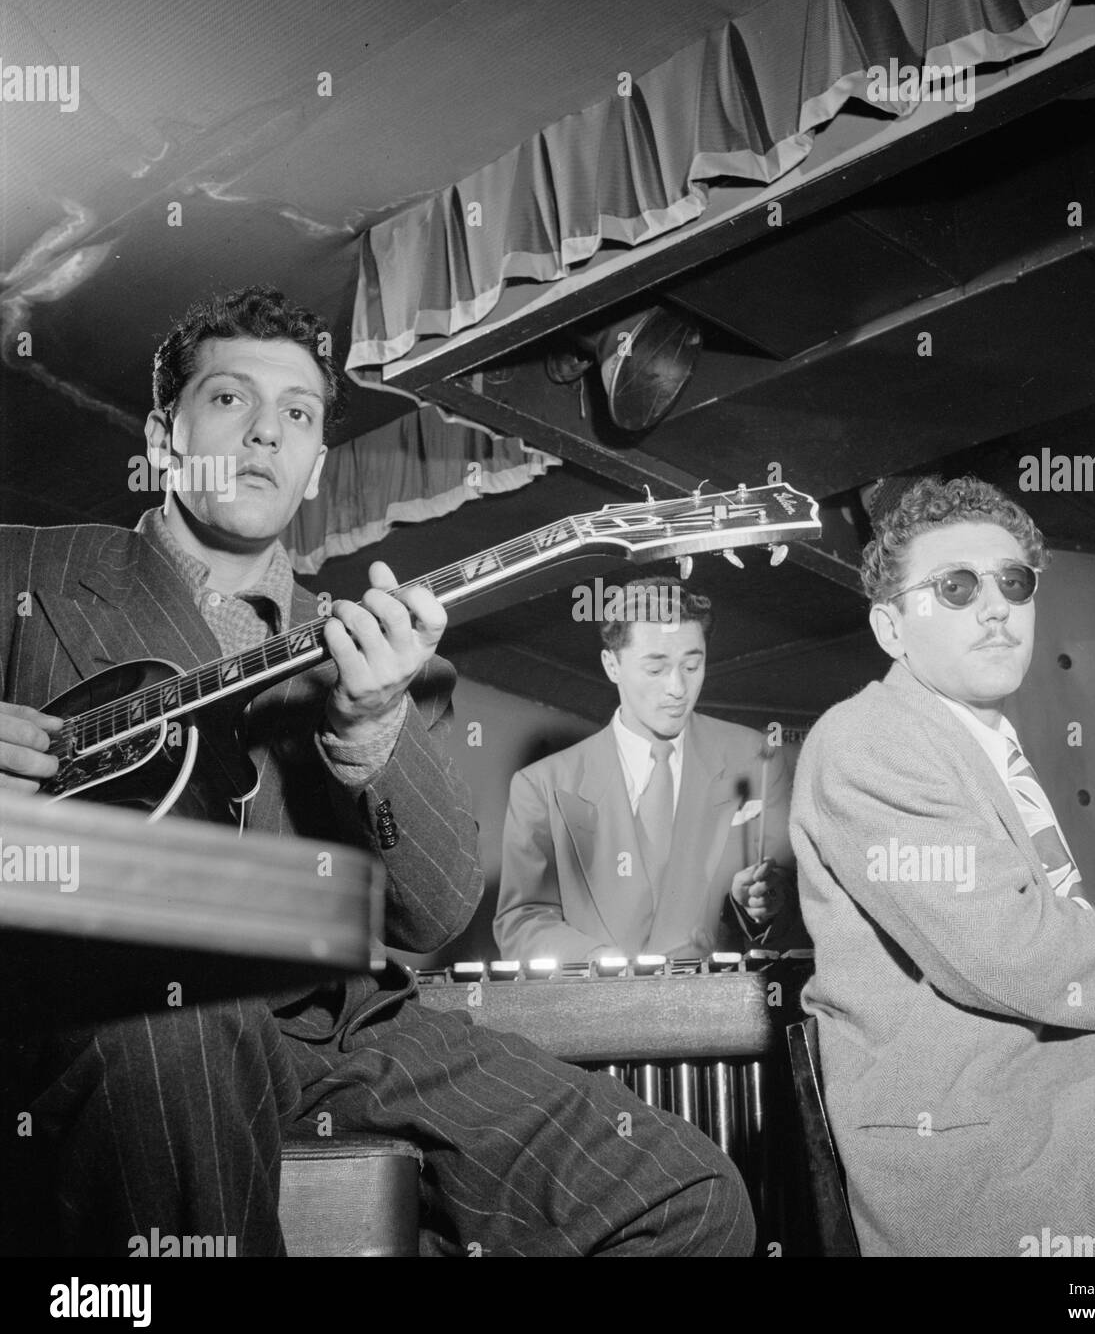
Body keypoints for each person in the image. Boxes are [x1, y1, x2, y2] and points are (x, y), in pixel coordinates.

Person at [0, 284, 754, 1257]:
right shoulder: (23, 574)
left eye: (300, 414)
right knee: (166, 1029)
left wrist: (369, 727)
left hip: (343, 1030)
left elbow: (432, 913)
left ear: (316, 465)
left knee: (689, 1197)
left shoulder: (395, 663)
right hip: (103, 1018)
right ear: (161, 429)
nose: (268, 433)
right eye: (231, 399)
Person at [790, 475, 1095, 1257]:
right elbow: (1017, 955)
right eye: (955, 587)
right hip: (989, 1152)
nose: (995, 606)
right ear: (890, 627)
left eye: (1012, 582)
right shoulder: (869, 739)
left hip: (1066, 1103)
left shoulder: (980, 740)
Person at [495, 577, 806, 963]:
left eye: (692, 665)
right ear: (612, 665)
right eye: (656, 669)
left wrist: (759, 911)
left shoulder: (756, 757)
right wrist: (600, 961)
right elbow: (521, 921)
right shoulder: (541, 784)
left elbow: (796, 906)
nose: (677, 688)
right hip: (596, 1010)